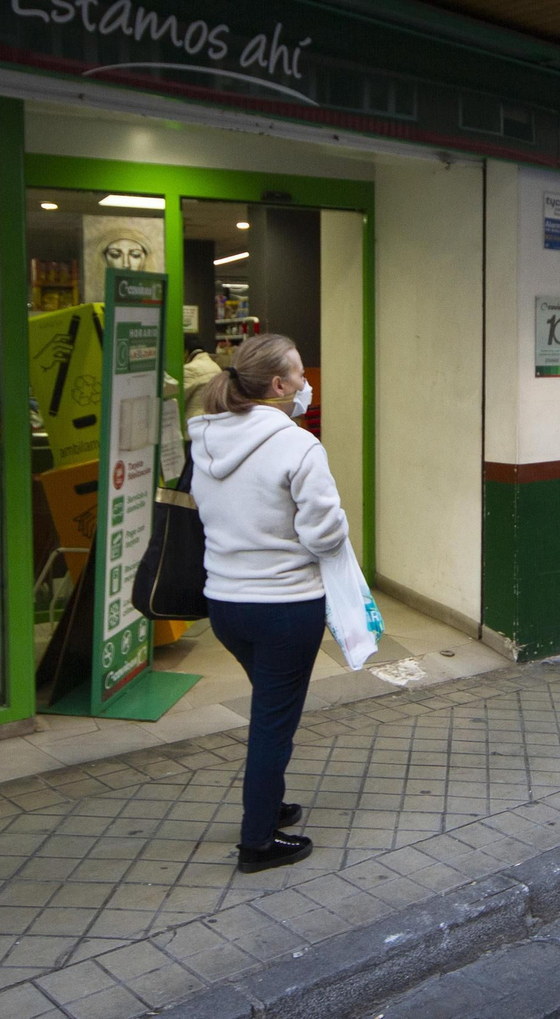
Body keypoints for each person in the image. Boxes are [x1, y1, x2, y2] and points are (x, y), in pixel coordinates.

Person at [187, 334, 335, 873]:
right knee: (273, 723)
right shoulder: (299, 446)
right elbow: (324, 534)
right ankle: (258, 842)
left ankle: (269, 804)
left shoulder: (204, 438)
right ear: (278, 385)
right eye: (298, 374)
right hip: (285, 608)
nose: (304, 383)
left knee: (270, 707)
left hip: (225, 604)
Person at [180, 330, 223, 421]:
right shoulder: (214, 366)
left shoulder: (190, 369)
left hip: (195, 423)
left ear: (186, 352)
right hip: (212, 420)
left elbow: (179, 397)